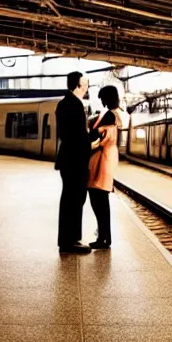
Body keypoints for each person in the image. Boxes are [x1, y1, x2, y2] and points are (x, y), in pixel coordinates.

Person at [55, 72, 94, 254]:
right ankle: (70, 242)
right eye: (85, 84)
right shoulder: (73, 105)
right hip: (74, 161)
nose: (86, 88)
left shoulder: (65, 103)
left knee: (71, 199)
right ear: (78, 85)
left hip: (69, 160)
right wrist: (92, 142)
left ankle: (70, 239)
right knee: (74, 200)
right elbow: (76, 137)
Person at [87, 86, 127, 250]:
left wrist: (91, 130)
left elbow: (96, 136)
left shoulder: (109, 115)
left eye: (102, 98)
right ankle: (104, 236)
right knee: (100, 200)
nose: (101, 101)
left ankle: (104, 238)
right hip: (105, 159)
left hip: (102, 160)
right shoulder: (113, 114)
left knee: (99, 200)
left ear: (107, 98)